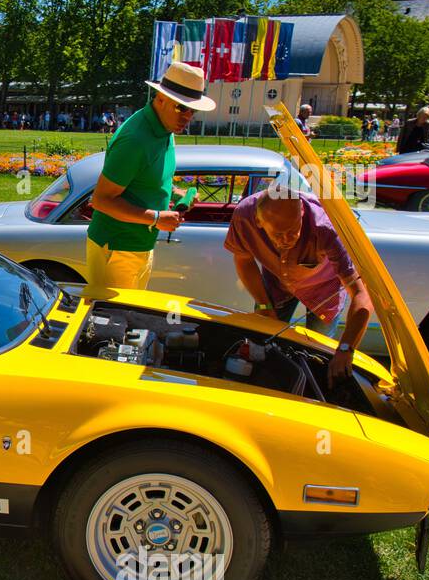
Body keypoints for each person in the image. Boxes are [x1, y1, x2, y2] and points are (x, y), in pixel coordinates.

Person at [84, 61, 215, 291]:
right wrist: (156, 218)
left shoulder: (165, 128)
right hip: (117, 248)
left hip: (138, 246)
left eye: (192, 110)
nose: (187, 116)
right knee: (112, 322)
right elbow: (101, 200)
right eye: (181, 108)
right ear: (160, 98)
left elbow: (146, 178)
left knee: (131, 317)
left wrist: (176, 192)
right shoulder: (135, 140)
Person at [224, 188, 373, 384]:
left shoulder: (327, 226)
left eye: (293, 231)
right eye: (278, 234)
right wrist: (263, 305)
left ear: (302, 211)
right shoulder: (244, 216)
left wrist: (346, 348)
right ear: (258, 222)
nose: (287, 240)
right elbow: (243, 260)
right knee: (262, 345)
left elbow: (362, 294)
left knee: (316, 353)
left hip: (324, 291)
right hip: (277, 285)